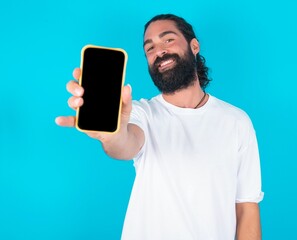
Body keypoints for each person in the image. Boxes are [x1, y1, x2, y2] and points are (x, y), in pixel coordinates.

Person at [56, 14, 264, 240]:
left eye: (168, 40)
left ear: (194, 45)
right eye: (150, 48)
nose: (159, 51)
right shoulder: (140, 113)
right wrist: (111, 136)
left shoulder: (237, 122)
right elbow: (126, 143)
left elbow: (246, 208)